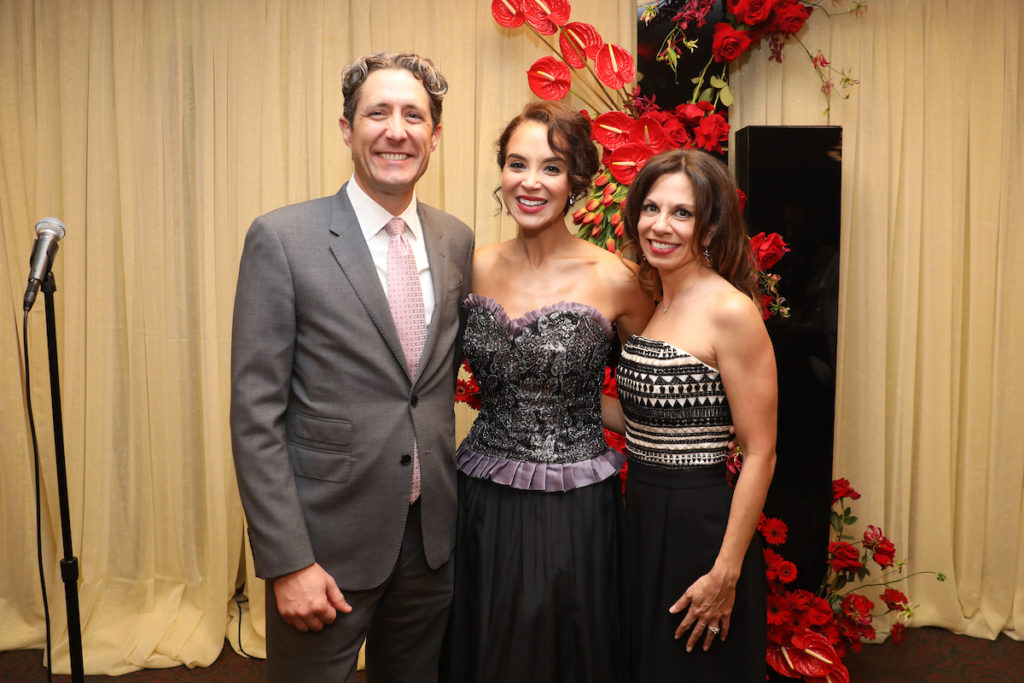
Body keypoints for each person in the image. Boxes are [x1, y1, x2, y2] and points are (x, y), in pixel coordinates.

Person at [230, 52, 474, 682]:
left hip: (431, 545)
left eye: (414, 115)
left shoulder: (456, 240)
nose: (397, 130)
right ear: (347, 129)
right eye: (378, 113)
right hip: (324, 549)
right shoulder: (282, 239)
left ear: (435, 136)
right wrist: (287, 561)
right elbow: (256, 416)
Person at [439, 101, 654, 683]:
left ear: (576, 182)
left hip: (576, 501)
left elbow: (649, 393)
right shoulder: (469, 268)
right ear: (501, 174)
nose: (530, 182)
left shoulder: (617, 279)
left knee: (565, 649)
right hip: (480, 494)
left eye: (551, 167)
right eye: (517, 163)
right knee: (485, 643)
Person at [612, 148, 777, 681]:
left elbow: (759, 452)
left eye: (681, 213)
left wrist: (725, 572)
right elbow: (643, 423)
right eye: (651, 208)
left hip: (700, 527)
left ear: (708, 228)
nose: (660, 225)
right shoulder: (657, 296)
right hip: (641, 513)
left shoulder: (730, 310)